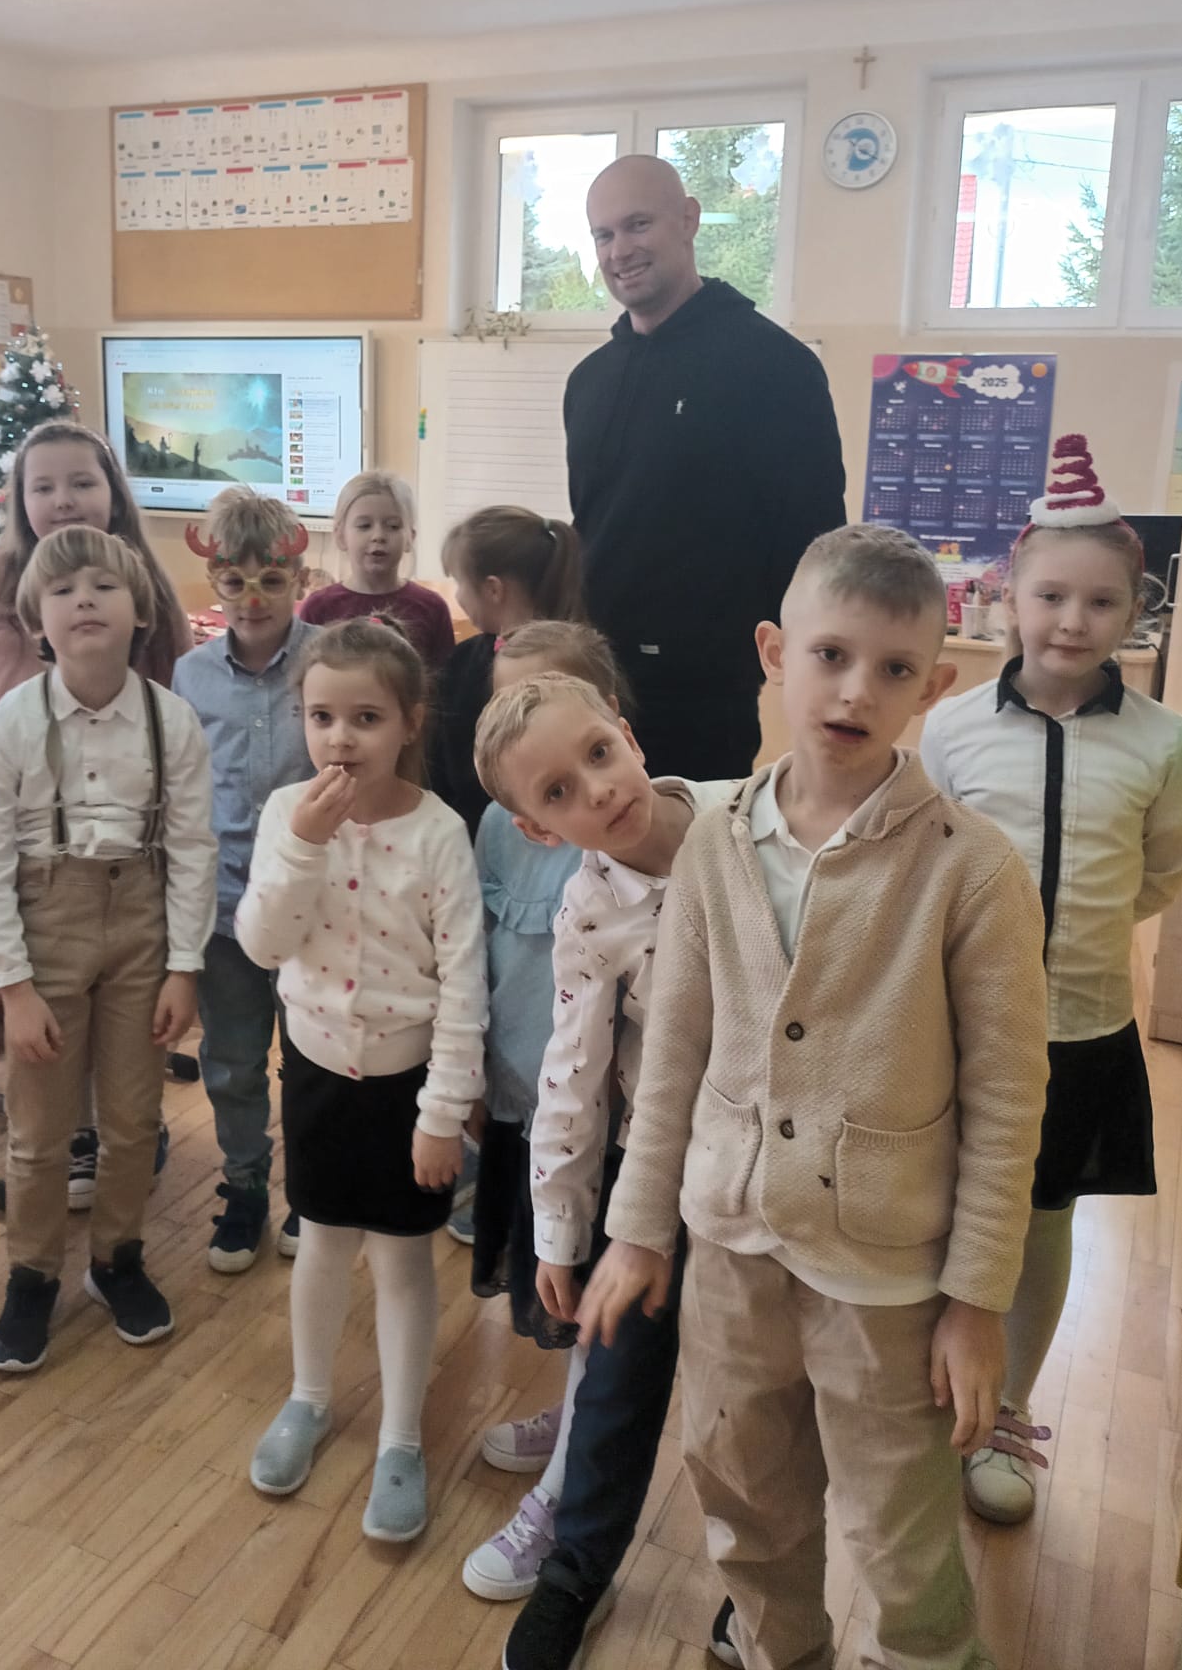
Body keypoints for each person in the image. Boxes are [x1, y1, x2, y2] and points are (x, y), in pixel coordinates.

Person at [581, 524, 1050, 1670]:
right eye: (830, 654)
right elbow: (675, 1047)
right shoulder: (714, 842)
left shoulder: (972, 867)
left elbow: (1005, 1099)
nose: (854, 691)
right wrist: (638, 1228)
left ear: (934, 685)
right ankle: (778, 1646)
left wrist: (976, 1299)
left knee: (901, 1531)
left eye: (893, 668)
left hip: (885, 1277)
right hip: (731, 1246)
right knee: (744, 1493)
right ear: (774, 652)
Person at [920, 437, 1182, 1528]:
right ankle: (920, 1399)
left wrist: (1079, 931)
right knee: (937, 1212)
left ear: (1135, 610)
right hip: (952, 1027)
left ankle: (1008, 1411)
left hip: (1079, 1028)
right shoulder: (950, 727)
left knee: (1040, 1220)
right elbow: (923, 864)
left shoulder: (1164, 743)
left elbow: (1160, 870)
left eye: (1101, 601)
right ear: (1011, 598)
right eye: (1051, 596)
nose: (1073, 621)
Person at [471, 670, 737, 1670]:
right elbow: (573, 1078)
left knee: (761, 1399)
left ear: (627, 732)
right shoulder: (589, 911)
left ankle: (765, 1588)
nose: (597, 789)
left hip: (768, 1165)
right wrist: (559, 1231)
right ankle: (576, 1569)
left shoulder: (744, 817)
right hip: (651, 1177)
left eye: (597, 753)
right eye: (558, 792)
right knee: (616, 1379)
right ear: (538, 828)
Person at [235, 617, 487, 1542]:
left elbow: (464, 983)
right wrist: (304, 845)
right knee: (321, 1240)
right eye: (322, 717)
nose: (340, 738)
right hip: (314, 1071)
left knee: (403, 1261)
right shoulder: (285, 815)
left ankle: (401, 1440)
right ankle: (308, 1398)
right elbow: (262, 944)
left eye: (366, 717)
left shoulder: (440, 833)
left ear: (411, 721)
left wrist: (442, 1114)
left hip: (406, 1089)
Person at [0, 526, 217, 1374]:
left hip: (142, 928)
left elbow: (193, 849)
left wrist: (184, 967)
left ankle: (116, 1259)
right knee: (39, 1130)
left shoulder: (172, 720)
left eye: (103, 586)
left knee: (134, 1119)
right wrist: (13, 986)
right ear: (38, 623)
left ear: (140, 611)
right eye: (63, 591)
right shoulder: (9, 724)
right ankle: (32, 1274)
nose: (84, 602)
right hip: (45, 930)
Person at [0, 418, 193, 1205]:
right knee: (43, 994)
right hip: (18, 832)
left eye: (82, 482)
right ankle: (68, 1132)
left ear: (113, 494)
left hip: (124, 838)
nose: (64, 500)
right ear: (19, 500)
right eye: (42, 487)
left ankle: (126, 1121)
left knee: (123, 994)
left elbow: (178, 689)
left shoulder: (141, 581)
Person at [566, 153, 845, 782]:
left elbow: (816, 547)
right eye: (603, 235)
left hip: (707, 699)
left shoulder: (776, 368)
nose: (619, 250)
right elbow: (593, 530)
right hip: (594, 685)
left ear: (689, 220)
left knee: (696, 846)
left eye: (638, 224)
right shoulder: (589, 382)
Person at [458, 623, 621, 1606]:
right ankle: (573, 1420)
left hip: (604, 1125)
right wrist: (476, 1078)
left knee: (598, 1299)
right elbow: (482, 953)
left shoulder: (618, 832)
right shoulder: (496, 826)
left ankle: (568, 1487)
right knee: (555, 1288)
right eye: (505, 704)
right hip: (523, 1103)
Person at [172, 486, 316, 1273]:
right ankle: (246, 1184)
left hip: (314, 908)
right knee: (230, 1058)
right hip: (224, 903)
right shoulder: (190, 676)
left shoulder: (329, 660)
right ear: (214, 583)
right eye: (235, 581)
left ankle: (311, 1190)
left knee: (311, 1055)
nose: (253, 599)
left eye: (272, 581)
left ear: (301, 580)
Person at [429, 506, 587, 839]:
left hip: (498, 836)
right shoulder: (577, 652)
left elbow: (444, 766)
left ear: (493, 589)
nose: (458, 595)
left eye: (459, 582)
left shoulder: (467, 667)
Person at [298, 470, 455, 669]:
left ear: (410, 538)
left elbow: (447, 681)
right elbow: (304, 675)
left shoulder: (432, 607)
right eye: (364, 526)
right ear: (340, 536)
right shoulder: (319, 607)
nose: (378, 536)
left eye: (393, 526)